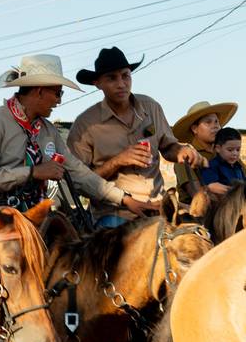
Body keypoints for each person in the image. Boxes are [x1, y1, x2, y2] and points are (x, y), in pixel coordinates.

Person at [0, 54, 150, 218]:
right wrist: (33, 172)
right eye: (57, 93)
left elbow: (79, 173)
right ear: (39, 91)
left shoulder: (48, 131)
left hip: (37, 216)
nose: (59, 100)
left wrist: (124, 199)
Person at [67, 47, 204, 227]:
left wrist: (181, 151)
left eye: (125, 76)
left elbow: (169, 147)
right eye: (112, 78)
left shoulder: (151, 107)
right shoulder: (85, 125)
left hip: (159, 207)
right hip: (115, 214)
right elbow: (79, 181)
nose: (121, 84)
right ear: (97, 83)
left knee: (201, 234)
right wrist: (117, 161)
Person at [172, 101, 238, 202]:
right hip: (196, 211)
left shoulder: (226, 153)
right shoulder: (186, 156)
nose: (215, 126)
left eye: (216, 122)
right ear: (195, 129)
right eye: (208, 122)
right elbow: (198, 196)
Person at [201, 127, 245, 196]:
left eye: (238, 150)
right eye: (230, 150)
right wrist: (235, 191)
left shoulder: (238, 166)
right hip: (224, 201)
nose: (235, 153)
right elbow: (212, 187)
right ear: (218, 148)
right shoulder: (212, 166)